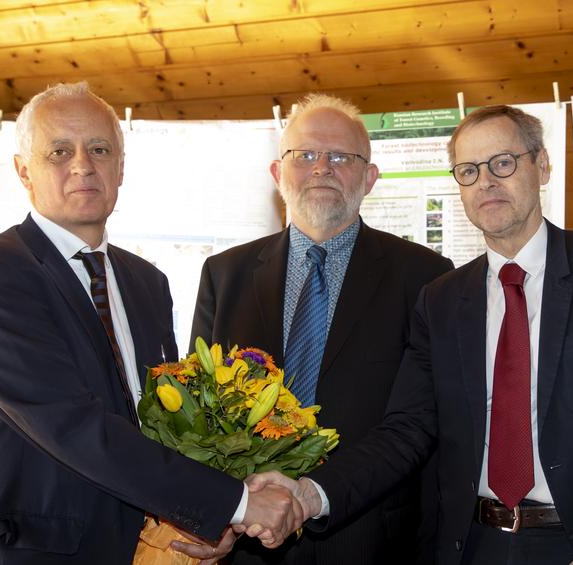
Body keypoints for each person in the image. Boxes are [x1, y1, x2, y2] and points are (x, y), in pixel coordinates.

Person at [252, 104, 573, 564]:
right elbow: (407, 430)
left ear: (542, 166)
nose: (486, 181)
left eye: (502, 163)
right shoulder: (442, 300)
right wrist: (309, 495)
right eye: (468, 171)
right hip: (478, 546)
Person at [0, 82, 300, 565]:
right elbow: (72, 425)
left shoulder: (146, 282)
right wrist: (231, 504)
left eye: (99, 149)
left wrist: (203, 520)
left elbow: (165, 420)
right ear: (23, 170)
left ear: (121, 167)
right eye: (58, 151)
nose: (82, 165)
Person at [190, 92, 453, 564]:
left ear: (369, 178)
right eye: (305, 155)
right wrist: (213, 512)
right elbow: (202, 413)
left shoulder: (424, 276)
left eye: (341, 157)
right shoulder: (223, 275)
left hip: (371, 538)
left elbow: (418, 422)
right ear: (278, 174)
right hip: (246, 538)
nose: (321, 168)